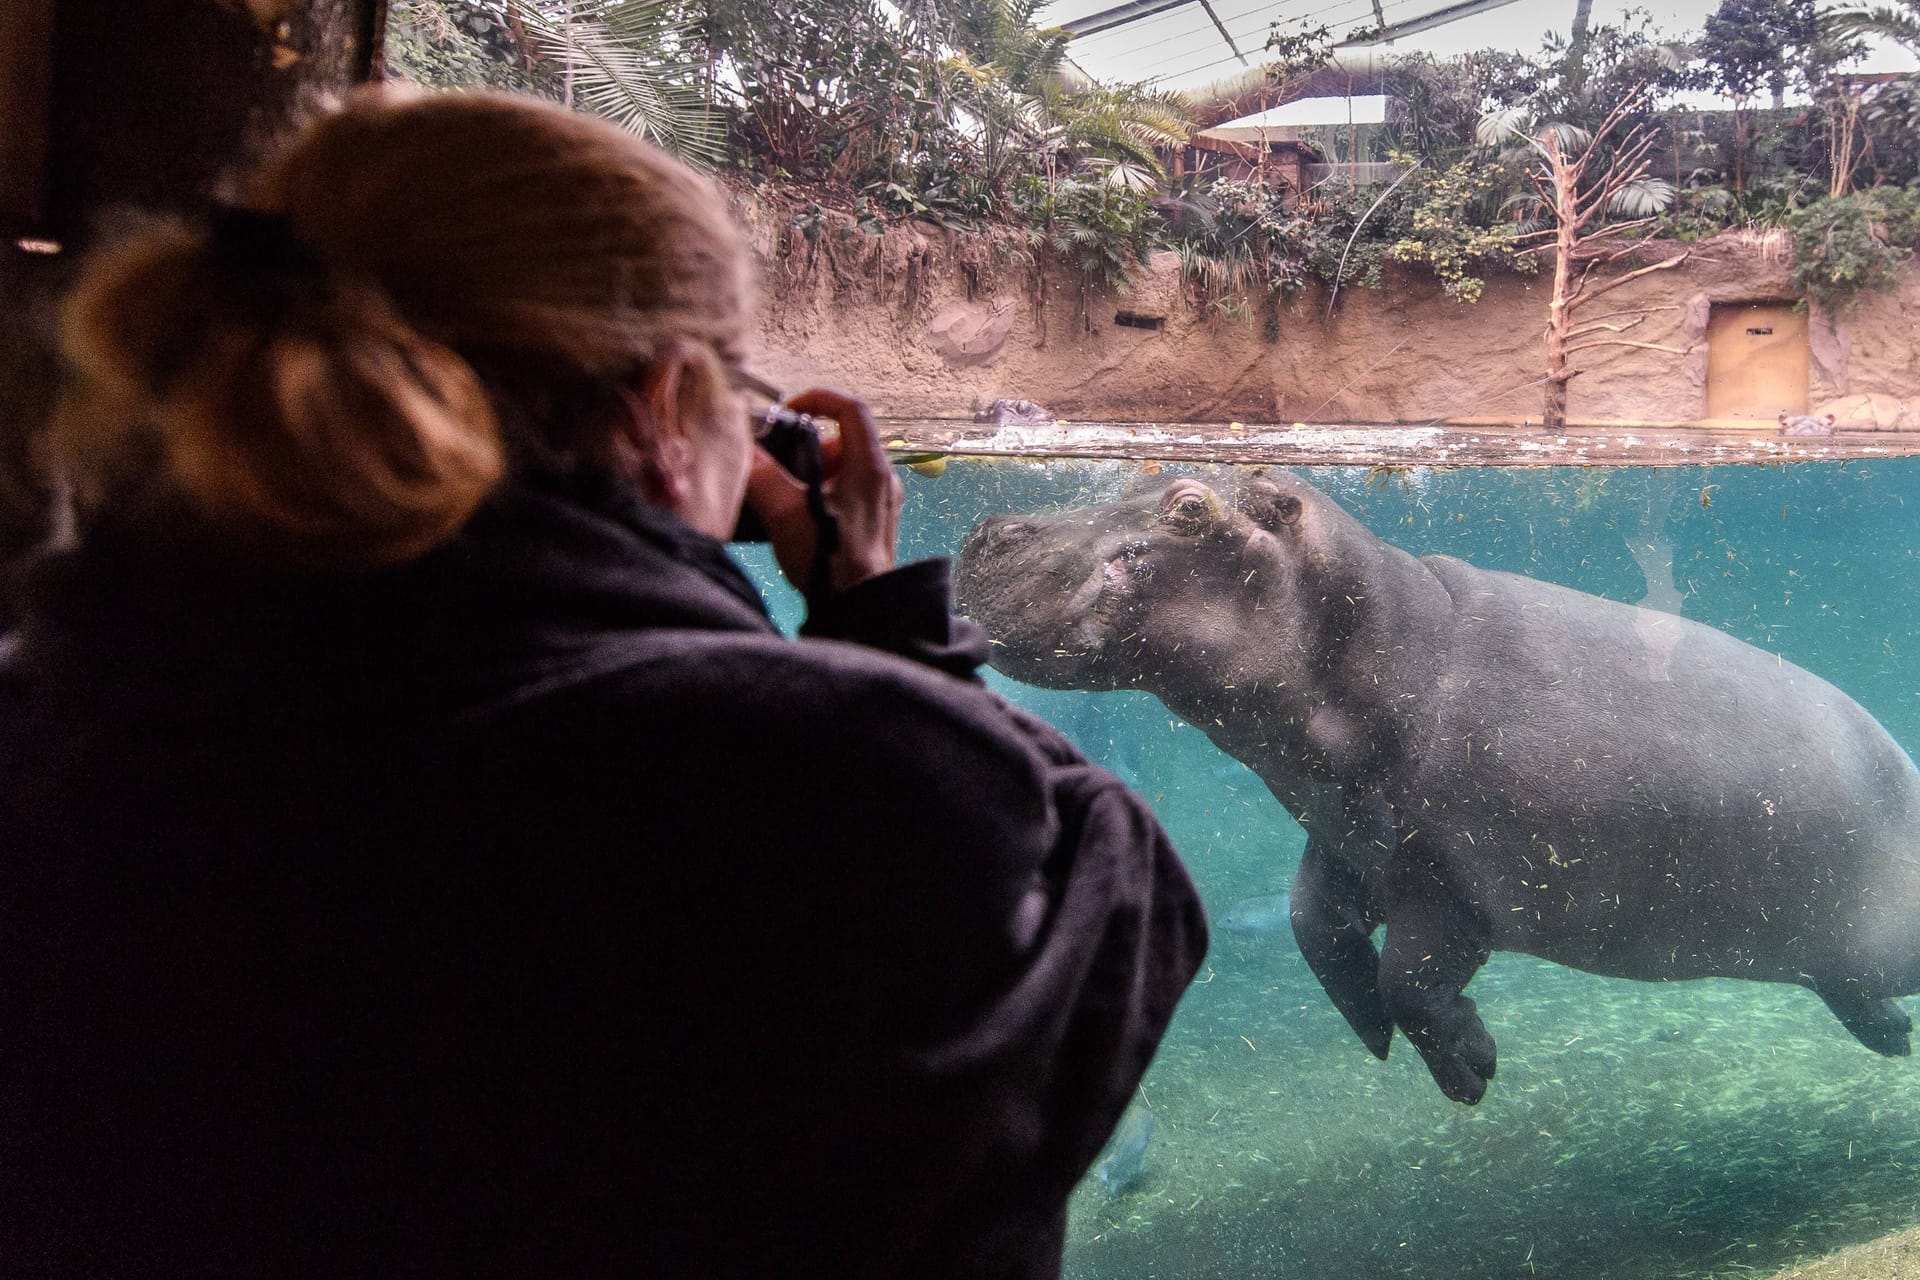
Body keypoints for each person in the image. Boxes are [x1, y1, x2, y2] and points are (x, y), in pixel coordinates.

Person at [0, 89, 1207, 1276]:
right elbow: (1126, 898)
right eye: (740, 388)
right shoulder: (792, 766)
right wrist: (874, 608)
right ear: (665, 400)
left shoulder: (55, 708)